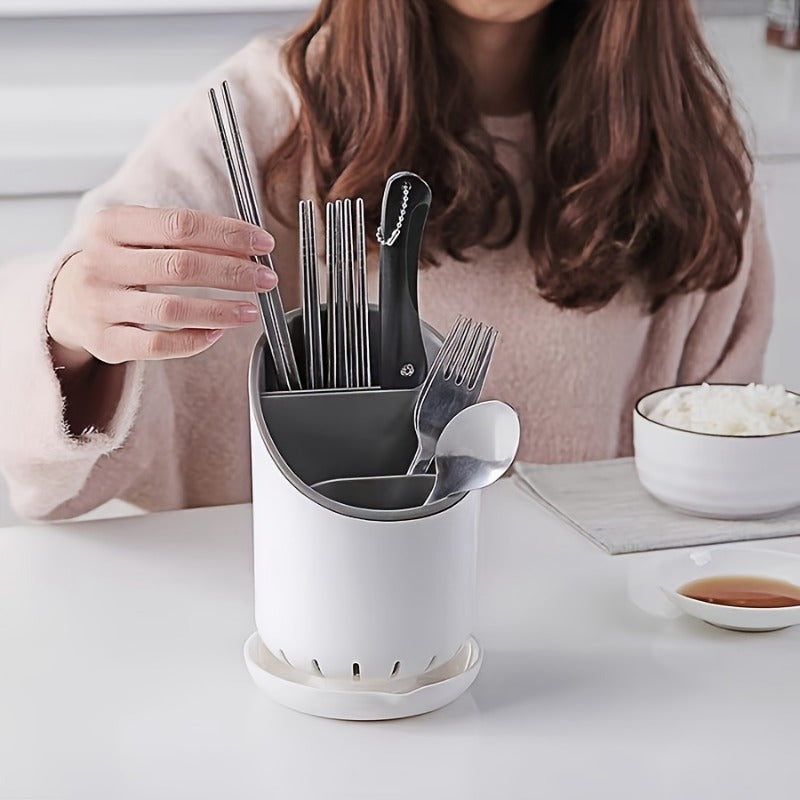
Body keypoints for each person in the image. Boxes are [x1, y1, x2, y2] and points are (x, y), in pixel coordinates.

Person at [0, 0, 772, 521]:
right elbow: (48, 459)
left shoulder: (691, 161)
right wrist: (69, 326)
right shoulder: (259, 120)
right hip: (290, 673)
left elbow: (704, 494)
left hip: (585, 671)